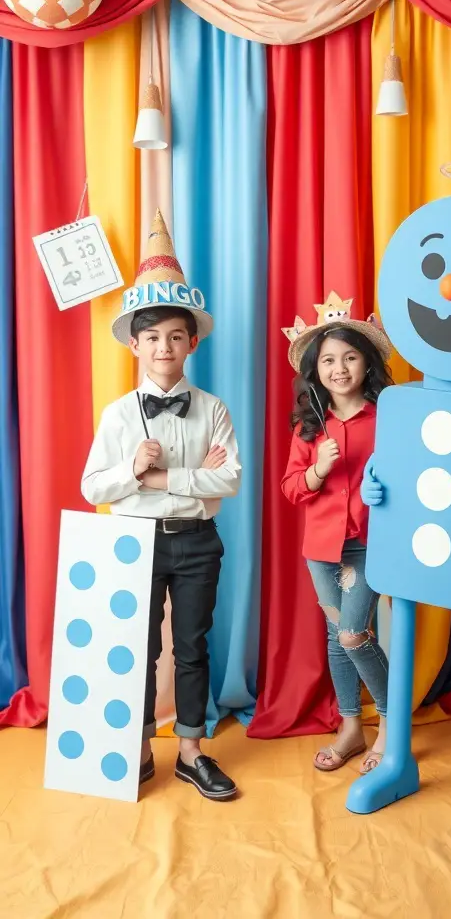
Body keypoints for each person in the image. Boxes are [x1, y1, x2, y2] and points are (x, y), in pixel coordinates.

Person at [82, 210, 241, 801]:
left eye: (175, 335)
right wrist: (130, 469)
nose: (164, 346)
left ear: (192, 341)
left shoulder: (213, 408)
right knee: (139, 649)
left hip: (198, 541)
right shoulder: (118, 416)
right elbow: (92, 487)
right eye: (151, 337)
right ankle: (141, 746)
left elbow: (230, 480)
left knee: (194, 645)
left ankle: (193, 752)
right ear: (135, 346)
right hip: (135, 540)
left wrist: (165, 475)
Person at [281, 293, 392, 773]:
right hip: (321, 549)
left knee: (352, 634)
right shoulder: (309, 427)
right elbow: (291, 489)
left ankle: (391, 725)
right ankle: (351, 726)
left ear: (367, 364)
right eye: (328, 360)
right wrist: (317, 471)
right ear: (315, 369)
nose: (339, 368)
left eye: (350, 357)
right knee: (335, 634)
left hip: (371, 544)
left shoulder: (389, 417)